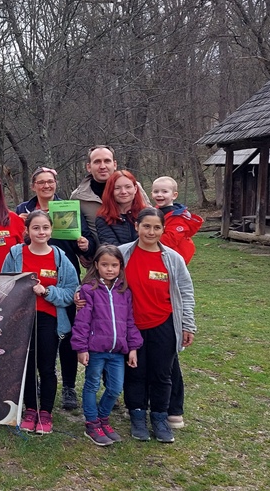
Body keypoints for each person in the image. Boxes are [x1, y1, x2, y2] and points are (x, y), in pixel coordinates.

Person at [16, 166, 96, 412]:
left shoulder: (68, 208)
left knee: (66, 335)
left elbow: (88, 245)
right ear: (34, 186)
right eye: (41, 182)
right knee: (36, 339)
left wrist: (85, 245)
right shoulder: (22, 210)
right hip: (31, 281)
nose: (46, 186)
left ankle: (69, 386)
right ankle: (36, 384)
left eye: (50, 182)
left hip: (63, 276)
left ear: (56, 184)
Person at [119, 208, 196, 443]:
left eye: (156, 227)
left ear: (163, 229)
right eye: (146, 226)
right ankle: (137, 415)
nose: (151, 232)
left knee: (162, 374)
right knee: (135, 373)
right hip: (131, 326)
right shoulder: (123, 254)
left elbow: (185, 292)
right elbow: (100, 280)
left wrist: (187, 324)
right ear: (137, 227)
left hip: (163, 323)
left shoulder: (173, 258)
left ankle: (160, 417)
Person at [1, 210, 79, 435]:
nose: (41, 232)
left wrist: (46, 292)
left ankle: (45, 412)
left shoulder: (60, 258)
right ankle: (30, 410)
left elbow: (70, 292)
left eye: (45, 228)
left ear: (51, 230)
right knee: (25, 367)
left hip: (49, 319)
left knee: (46, 367)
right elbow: (4, 286)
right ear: (27, 231)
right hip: (22, 319)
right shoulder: (16, 254)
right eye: (36, 228)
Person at [70, 245, 142, 446]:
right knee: (92, 385)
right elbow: (82, 322)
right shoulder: (88, 290)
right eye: (105, 265)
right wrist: (81, 348)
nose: (109, 269)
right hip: (95, 350)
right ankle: (92, 423)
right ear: (96, 265)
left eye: (114, 265)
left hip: (118, 351)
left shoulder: (124, 292)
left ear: (120, 266)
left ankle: (103, 417)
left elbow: (129, 321)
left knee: (115, 388)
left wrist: (133, 348)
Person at [151, 175, 203, 430]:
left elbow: (163, 245)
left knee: (168, 355)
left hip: (170, 291)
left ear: (175, 193)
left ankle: (174, 408)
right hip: (150, 292)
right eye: (156, 191)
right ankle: (153, 403)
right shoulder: (159, 215)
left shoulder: (178, 221)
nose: (159, 195)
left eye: (164, 191)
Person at [96, 170, 147, 246]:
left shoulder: (147, 215)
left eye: (128, 187)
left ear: (135, 189)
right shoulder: (103, 219)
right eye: (117, 188)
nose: (123, 191)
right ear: (111, 191)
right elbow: (112, 250)